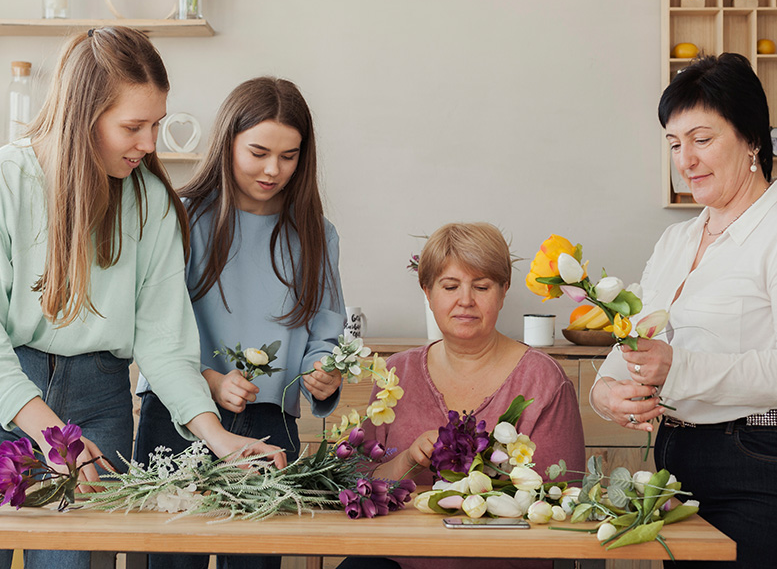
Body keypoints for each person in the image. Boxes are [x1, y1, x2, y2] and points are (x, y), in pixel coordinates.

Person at [0, 28, 285, 569]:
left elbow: (164, 341)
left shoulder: (149, 200)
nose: (151, 144)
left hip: (101, 399)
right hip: (11, 395)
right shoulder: (7, 181)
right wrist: (51, 433)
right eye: (134, 126)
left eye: (156, 124)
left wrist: (218, 437)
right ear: (82, 116)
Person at [134, 77, 346, 569]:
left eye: (289, 156)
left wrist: (322, 373)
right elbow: (153, 327)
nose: (273, 169)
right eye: (258, 152)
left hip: (270, 423)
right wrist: (208, 378)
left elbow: (326, 329)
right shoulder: (181, 216)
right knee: (170, 561)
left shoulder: (317, 234)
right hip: (177, 418)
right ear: (227, 141)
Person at [590, 52, 777, 568]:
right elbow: (632, 344)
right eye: (674, 143)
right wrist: (607, 394)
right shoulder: (676, 240)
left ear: (752, 138)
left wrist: (678, 368)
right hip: (676, 466)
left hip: (758, 465)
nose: (685, 159)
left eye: (702, 139)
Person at [339, 222, 586, 569]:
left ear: (503, 291)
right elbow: (361, 487)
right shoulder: (397, 374)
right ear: (427, 292)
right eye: (450, 286)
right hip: (402, 559)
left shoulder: (543, 380)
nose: (465, 301)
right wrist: (409, 458)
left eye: (481, 286)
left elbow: (563, 501)